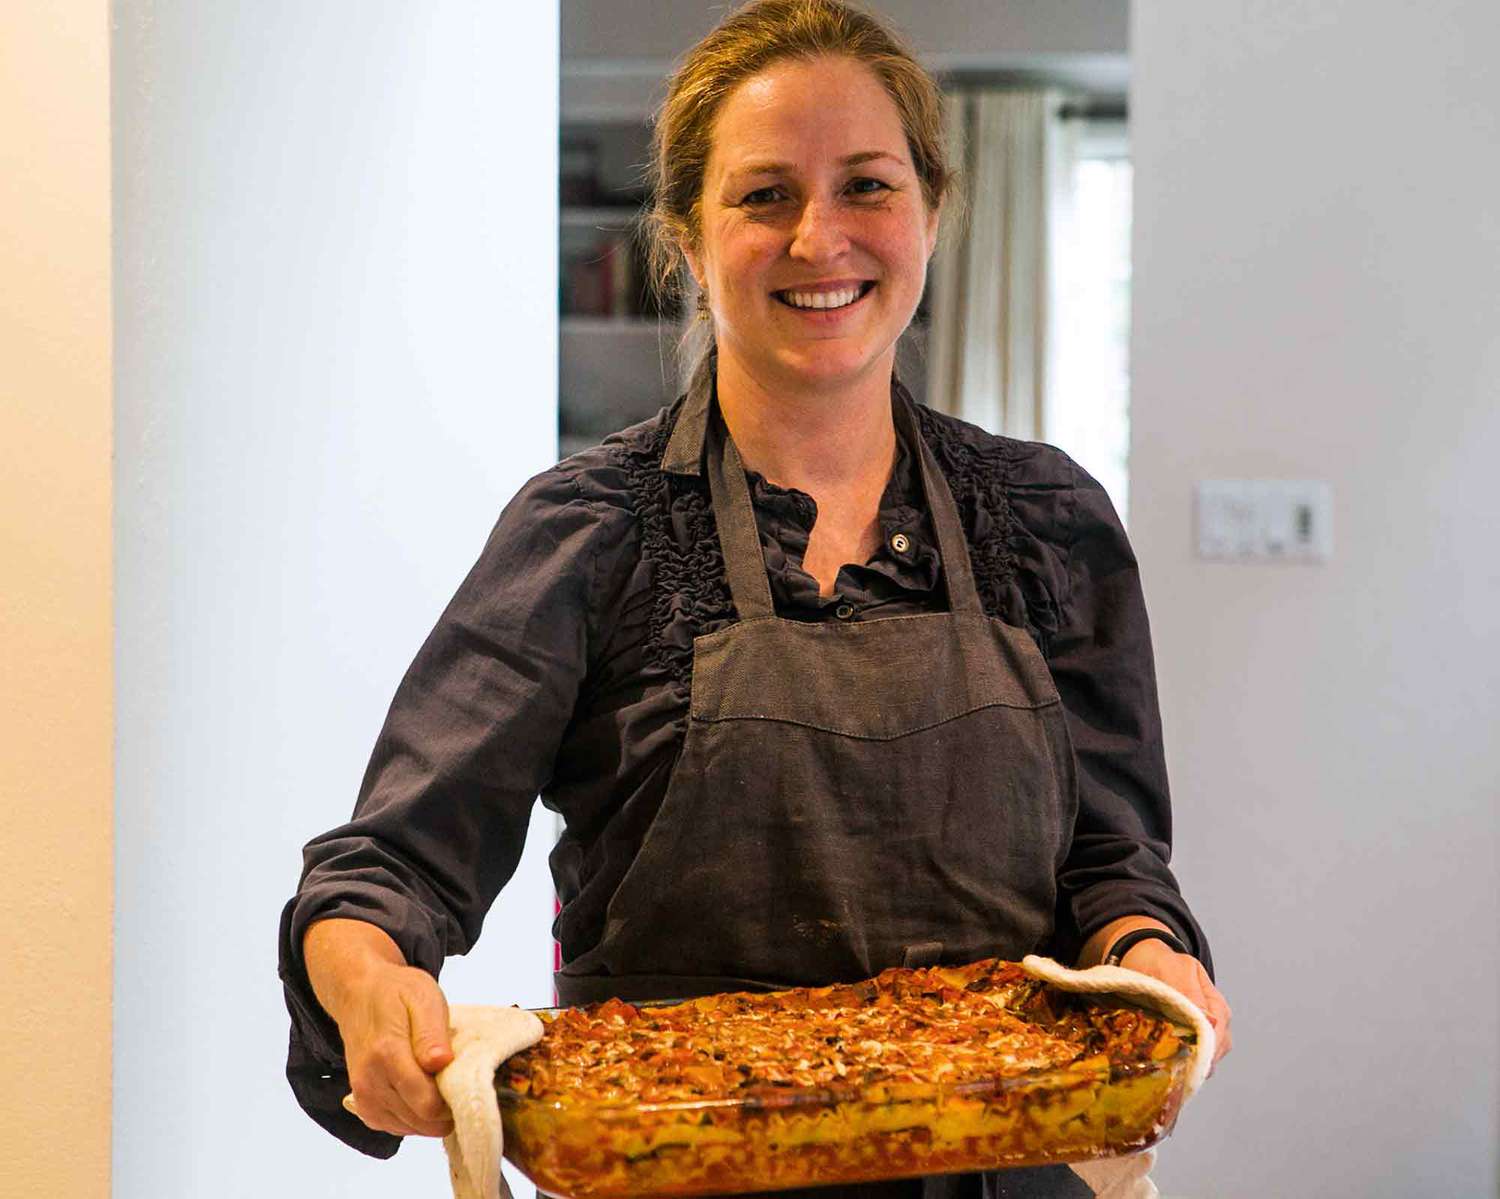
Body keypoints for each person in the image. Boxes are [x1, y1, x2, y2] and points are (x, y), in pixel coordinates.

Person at [278, 1, 1232, 1195]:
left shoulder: (1048, 518)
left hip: (1020, 1164)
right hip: (676, 1165)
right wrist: (371, 986)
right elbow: (388, 869)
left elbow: (1113, 856)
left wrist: (1151, 957)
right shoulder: (588, 530)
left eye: (868, 186)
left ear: (933, 213)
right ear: (685, 234)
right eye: (764, 194)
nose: (818, 237)